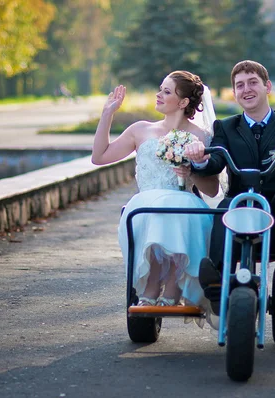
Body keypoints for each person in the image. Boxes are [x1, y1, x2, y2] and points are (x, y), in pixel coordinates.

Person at [185, 60, 275, 316]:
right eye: (240, 85)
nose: (246, 89)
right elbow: (216, 161)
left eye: (253, 82)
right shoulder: (226, 127)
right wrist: (200, 159)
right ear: (234, 93)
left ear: (267, 86)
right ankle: (217, 276)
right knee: (226, 206)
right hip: (240, 203)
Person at [91, 71, 220, 313]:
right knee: (152, 208)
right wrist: (108, 113)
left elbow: (212, 190)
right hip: (146, 204)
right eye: (160, 89)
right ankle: (150, 286)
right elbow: (99, 157)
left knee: (178, 208)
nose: (159, 95)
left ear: (183, 102)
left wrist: (191, 172)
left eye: (167, 91)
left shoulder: (202, 137)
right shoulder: (140, 130)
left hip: (184, 203)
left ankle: (173, 285)